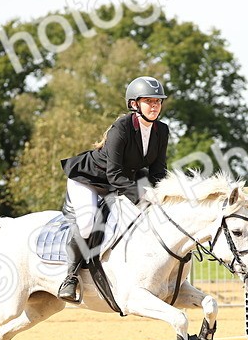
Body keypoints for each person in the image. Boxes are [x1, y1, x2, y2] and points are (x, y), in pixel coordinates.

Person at [57, 76, 171, 301]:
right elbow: (114, 173)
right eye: (149, 101)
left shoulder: (162, 131)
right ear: (134, 104)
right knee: (89, 223)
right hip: (89, 180)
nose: (155, 105)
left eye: (158, 101)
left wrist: (165, 195)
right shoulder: (122, 127)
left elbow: (158, 172)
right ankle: (69, 278)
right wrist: (142, 194)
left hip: (119, 183)